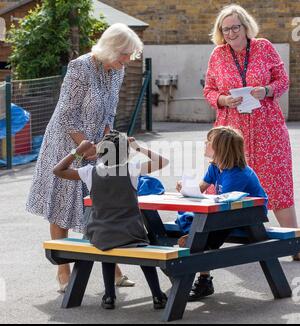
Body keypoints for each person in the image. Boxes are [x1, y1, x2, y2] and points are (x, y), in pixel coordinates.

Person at [26, 23, 143, 292]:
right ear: (111, 48)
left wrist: (104, 142)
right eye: (125, 54)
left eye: (130, 55)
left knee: (104, 201)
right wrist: (83, 146)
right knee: (62, 203)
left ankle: (113, 268)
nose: (128, 60)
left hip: (97, 143)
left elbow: (110, 112)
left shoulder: (117, 70)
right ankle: (63, 271)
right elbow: (67, 113)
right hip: (65, 143)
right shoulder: (80, 67)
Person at [203, 4, 299, 260]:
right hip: (232, 130)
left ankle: (294, 242)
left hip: (267, 127)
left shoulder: (264, 47)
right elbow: (209, 90)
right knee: (228, 182)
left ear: (245, 27)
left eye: (235, 27)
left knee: (276, 179)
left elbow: (282, 81)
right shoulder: (218, 54)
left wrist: (265, 91)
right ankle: (210, 244)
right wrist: (223, 100)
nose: (231, 33)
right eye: (226, 29)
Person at [53, 130, 169, 310]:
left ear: (100, 153)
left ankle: (109, 296)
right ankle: (157, 295)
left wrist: (77, 150)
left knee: (107, 249)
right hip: (131, 234)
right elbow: (163, 161)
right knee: (145, 249)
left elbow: (58, 170)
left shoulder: (89, 172)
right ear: (126, 153)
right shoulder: (130, 169)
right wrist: (138, 147)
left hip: (100, 235)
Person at [176, 126, 268, 301]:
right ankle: (198, 259)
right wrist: (186, 188)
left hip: (248, 216)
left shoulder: (237, 173)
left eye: (209, 141)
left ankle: (201, 275)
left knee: (200, 236)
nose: (205, 143)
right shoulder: (215, 167)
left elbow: (225, 205)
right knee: (194, 226)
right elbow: (200, 189)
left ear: (220, 148)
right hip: (228, 213)